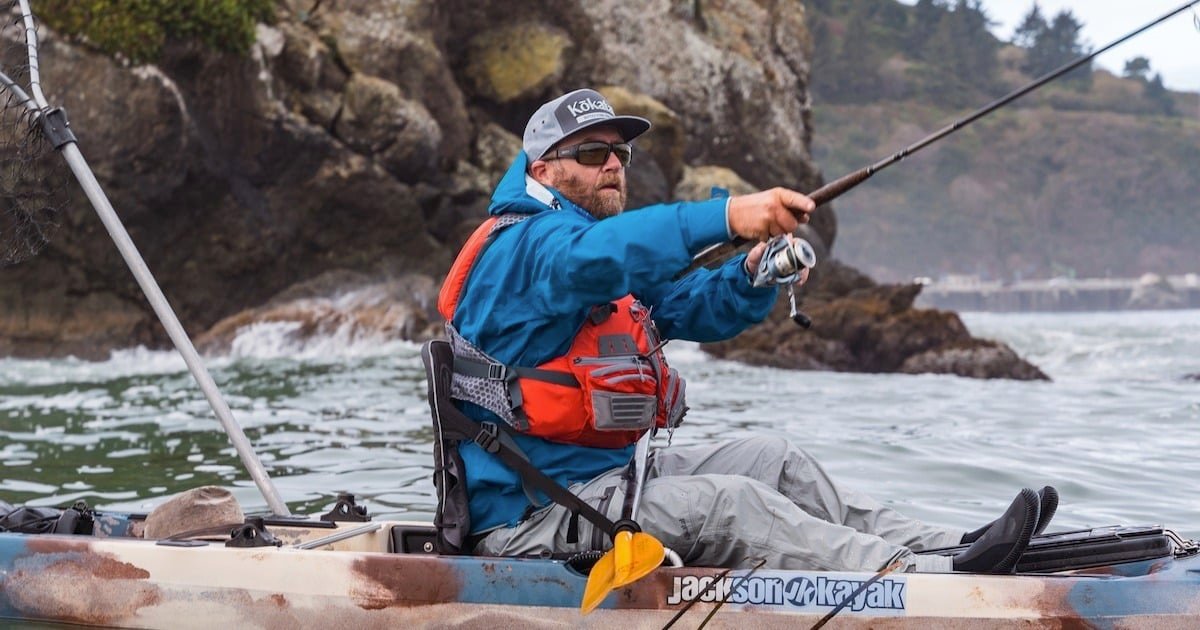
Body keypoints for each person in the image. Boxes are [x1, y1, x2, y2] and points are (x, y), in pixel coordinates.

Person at [434, 87, 1055, 574]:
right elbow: (610, 252)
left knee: (773, 459)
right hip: (531, 518)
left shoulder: (579, 250)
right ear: (542, 171)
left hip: (606, 485)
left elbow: (686, 306)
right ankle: (915, 576)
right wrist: (729, 214)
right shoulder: (523, 250)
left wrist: (753, 275)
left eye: (620, 154)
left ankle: (953, 545)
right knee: (730, 503)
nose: (613, 168)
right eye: (592, 155)